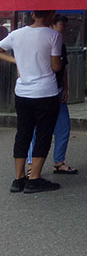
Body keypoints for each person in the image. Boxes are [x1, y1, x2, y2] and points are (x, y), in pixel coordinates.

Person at [0, 10, 63, 194]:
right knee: (43, 134)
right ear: (51, 15)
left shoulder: (16, 34)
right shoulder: (54, 36)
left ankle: (18, 178)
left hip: (23, 92)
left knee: (23, 133)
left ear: (32, 14)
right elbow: (56, 66)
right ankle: (34, 178)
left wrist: (17, 61)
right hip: (46, 92)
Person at [25, 14, 77, 175]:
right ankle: (31, 165)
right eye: (62, 26)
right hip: (41, 92)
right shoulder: (41, 42)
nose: (64, 30)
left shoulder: (61, 43)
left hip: (58, 90)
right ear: (52, 25)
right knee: (35, 129)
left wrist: (65, 88)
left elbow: (63, 68)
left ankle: (59, 162)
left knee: (63, 127)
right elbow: (54, 66)